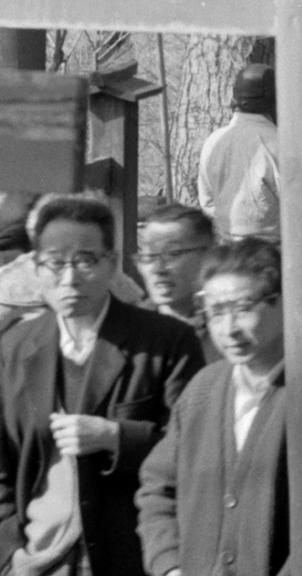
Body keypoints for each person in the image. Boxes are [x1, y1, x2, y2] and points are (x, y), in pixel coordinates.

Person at [135, 238, 302, 576]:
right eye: (215, 311)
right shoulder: (202, 389)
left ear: (281, 302)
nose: (228, 329)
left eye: (243, 308)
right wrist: (169, 564)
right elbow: (158, 487)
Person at [0, 194, 203, 576]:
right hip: (38, 559)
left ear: (112, 264)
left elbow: (197, 452)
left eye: (86, 261)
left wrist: (117, 438)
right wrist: (9, 555)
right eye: (55, 263)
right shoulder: (12, 350)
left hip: (132, 556)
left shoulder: (166, 342)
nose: (70, 278)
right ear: (36, 269)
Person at [197, 63, 280, 240]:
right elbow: (300, 206)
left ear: (234, 101)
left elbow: (208, 202)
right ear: (275, 103)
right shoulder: (279, 143)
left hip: (226, 253)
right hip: (272, 254)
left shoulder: (214, 141)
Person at [134, 201, 217, 362]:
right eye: (149, 257)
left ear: (210, 255)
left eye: (173, 254)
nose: (159, 269)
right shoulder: (131, 332)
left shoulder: (228, 329)